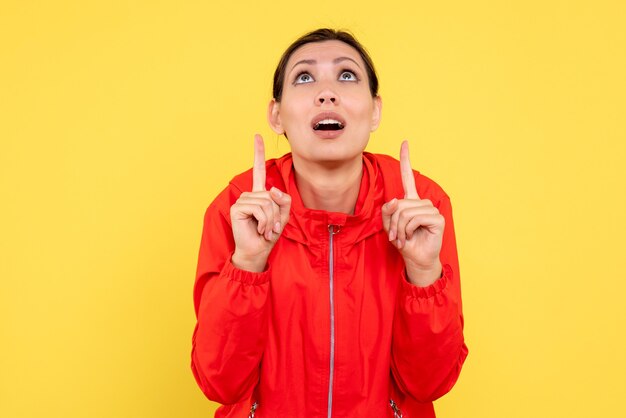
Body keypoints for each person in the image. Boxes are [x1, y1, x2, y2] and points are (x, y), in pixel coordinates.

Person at [191, 28, 468, 418]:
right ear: (276, 114)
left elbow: (429, 384)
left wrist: (423, 272)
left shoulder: (420, 206)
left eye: (347, 75)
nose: (326, 92)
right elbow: (219, 382)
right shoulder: (237, 209)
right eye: (304, 77)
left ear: (375, 110)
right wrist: (247, 264)